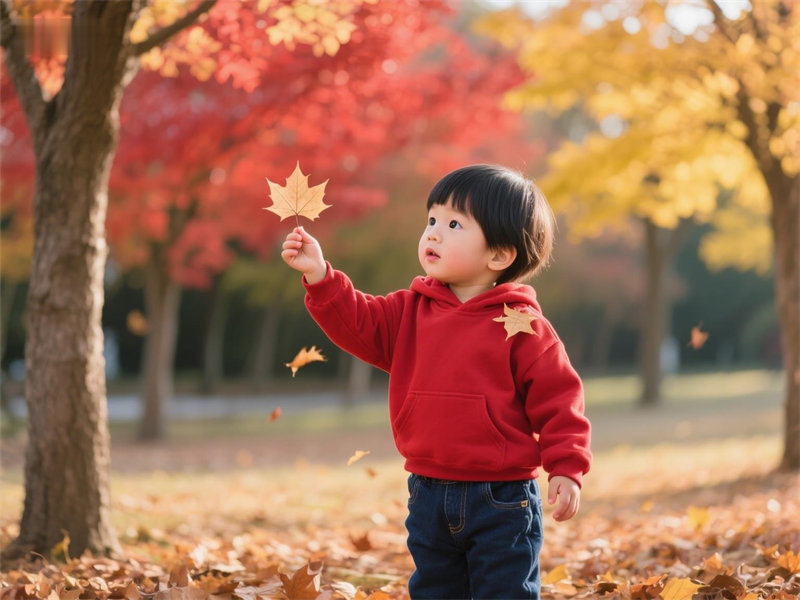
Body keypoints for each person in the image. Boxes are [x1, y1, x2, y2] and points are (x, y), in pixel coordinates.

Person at [281, 164, 592, 599]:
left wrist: (567, 467)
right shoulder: (409, 311)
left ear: (499, 255)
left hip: (502, 498)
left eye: (453, 224)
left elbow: (560, 401)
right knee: (435, 591)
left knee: (504, 592)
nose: (433, 233)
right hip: (427, 491)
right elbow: (357, 322)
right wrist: (320, 276)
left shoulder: (522, 327)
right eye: (431, 220)